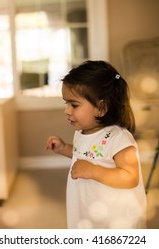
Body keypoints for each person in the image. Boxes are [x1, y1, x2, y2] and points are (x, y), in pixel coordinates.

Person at [46, 60, 146, 229]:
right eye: (66, 103)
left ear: (101, 108)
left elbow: (130, 177)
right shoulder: (82, 132)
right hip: (89, 208)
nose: (67, 110)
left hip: (116, 216)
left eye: (74, 105)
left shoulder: (118, 138)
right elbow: (85, 154)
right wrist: (64, 148)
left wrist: (93, 171)